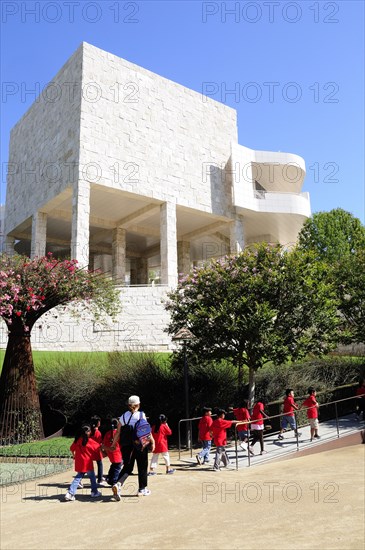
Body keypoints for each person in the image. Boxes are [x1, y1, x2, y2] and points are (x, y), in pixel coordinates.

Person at [111, 395, 155, 501]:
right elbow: (146, 431)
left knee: (127, 467)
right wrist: (152, 442)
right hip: (139, 445)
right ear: (137, 405)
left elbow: (118, 433)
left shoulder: (123, 416)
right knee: (142, 466)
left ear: (128, 405)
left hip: (126, 446)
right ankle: (142, 489)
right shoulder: (141, 415)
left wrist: (113, 444)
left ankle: (118, 484)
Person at [64, 424, 102, 501]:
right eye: (90, 431)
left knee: (78, 477)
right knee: (92, 478)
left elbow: (71, 448)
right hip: (87, 462)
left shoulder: (77, 440)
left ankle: (70, 493)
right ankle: (94, 492)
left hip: (79, 461)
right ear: (87, 432)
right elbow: (99, 447)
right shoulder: (90, 441)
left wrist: (74, 455)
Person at [101, 418, 123, 486]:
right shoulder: (118, 433)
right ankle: (114, 481)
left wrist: (104, 451)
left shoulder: (107, 433)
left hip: (110, 452)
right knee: (117, 468)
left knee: (114, 465)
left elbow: (103, 443)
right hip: (117, 453)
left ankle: (109, 478)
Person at [90, 415, 108, 486]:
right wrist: (103, 451)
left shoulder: (89, 430)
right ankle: (100, 479)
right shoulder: (98, 432)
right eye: (99, 421)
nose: (100, 423)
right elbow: (100, 443)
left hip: (89, 450)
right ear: (97, 423)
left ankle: (79, 479)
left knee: (86, 466)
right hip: (96, 450)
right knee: (99, 464)